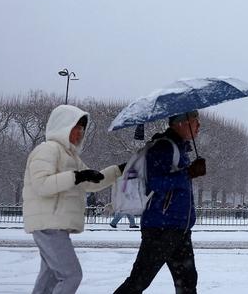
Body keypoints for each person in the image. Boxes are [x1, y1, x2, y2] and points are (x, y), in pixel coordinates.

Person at [23, 105, 122, 294]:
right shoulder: (47, 150)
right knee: (71, 275)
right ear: (63, 127)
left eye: (82, 129)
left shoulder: (71, 157)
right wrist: (77, 176)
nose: (80, 133)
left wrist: (119, 170)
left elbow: (92, 182)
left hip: (54, 225)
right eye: (76, 128)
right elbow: (42, 185)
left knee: (51, 276)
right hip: (49, 224)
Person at [114, 110, 207, 294]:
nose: (199, 125)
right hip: (161, 228)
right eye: (195, 120)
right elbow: (155, 183)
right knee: (139, 282)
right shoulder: (163, 147)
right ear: (180, 123)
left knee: (187, 283)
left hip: (178, 228)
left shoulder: (181, 148)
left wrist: (190, 171)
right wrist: (188, 173)